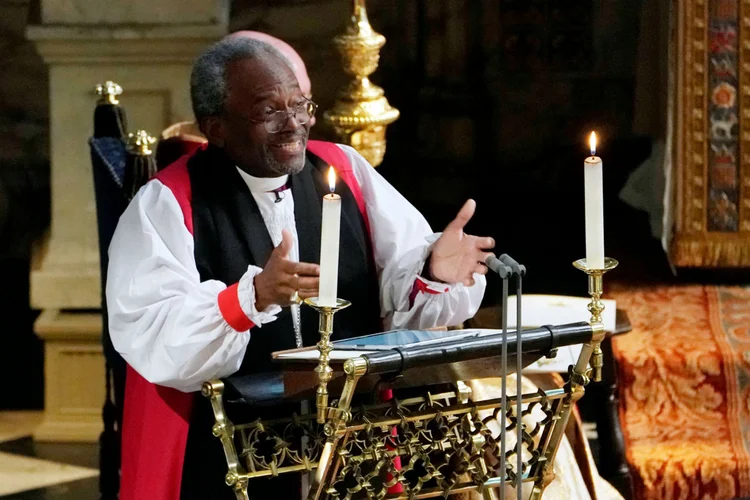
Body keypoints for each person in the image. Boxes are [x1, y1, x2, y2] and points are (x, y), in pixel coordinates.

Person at [106, 35, 494, 500]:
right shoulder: (168, 202)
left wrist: (435, 272)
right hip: (227, 457)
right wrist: (249, 300)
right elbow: (151, 333)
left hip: (349, 446)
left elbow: (399, 290)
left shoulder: (342, 169)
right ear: (216, 127)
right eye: (269, 111)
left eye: (301, 105)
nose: (294, 124)